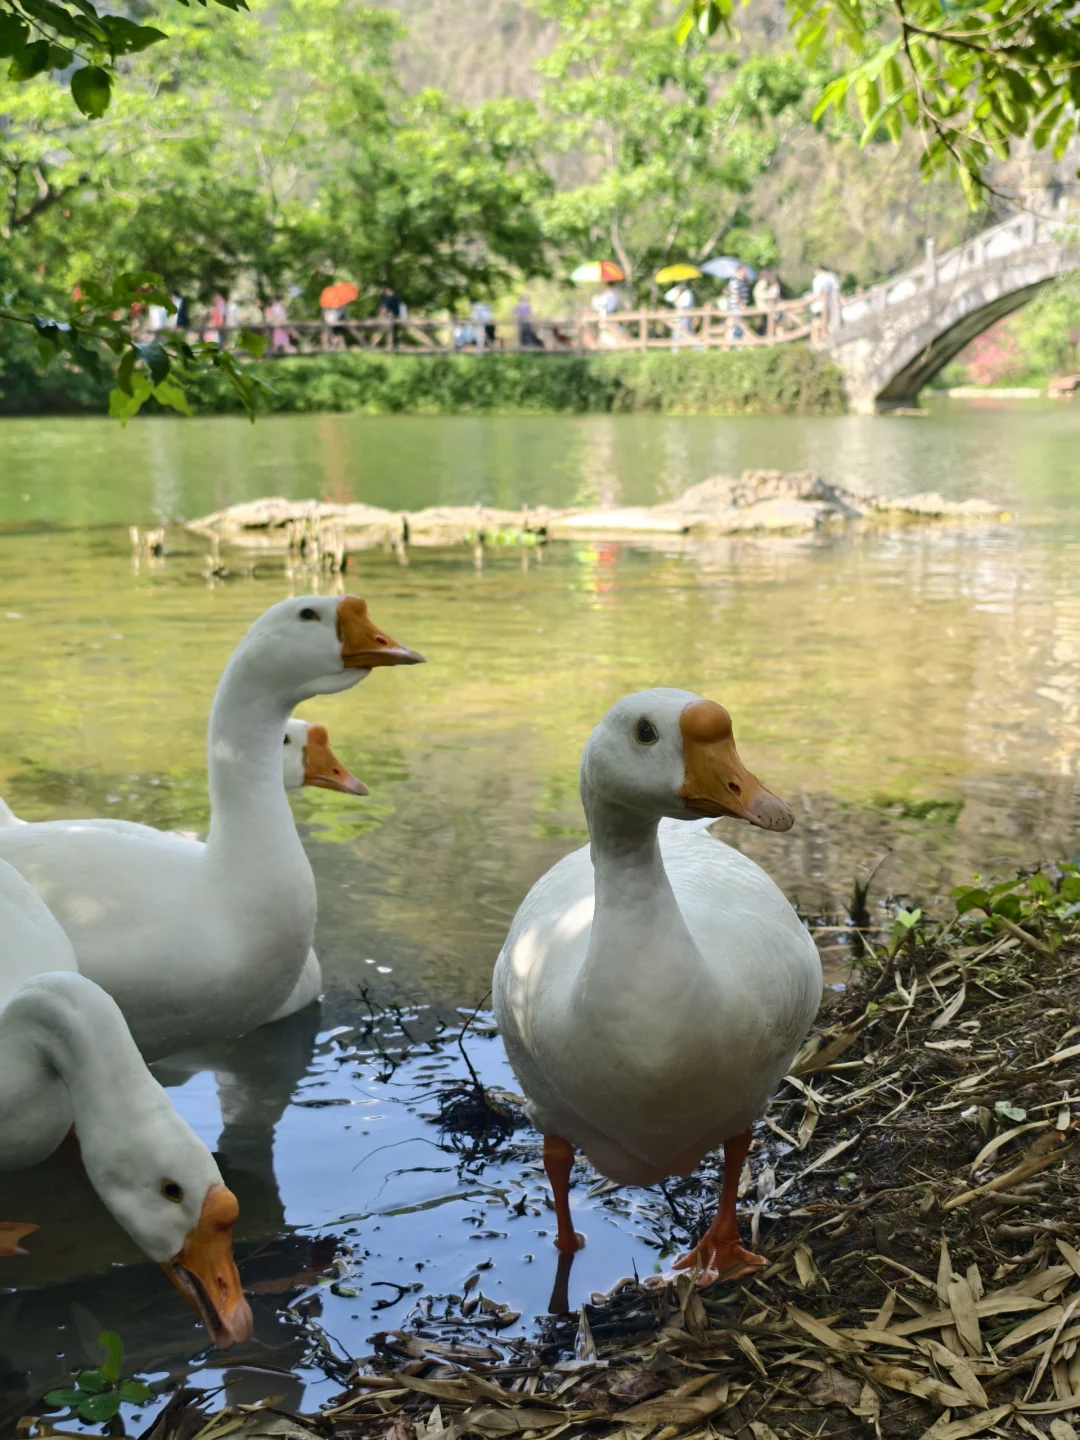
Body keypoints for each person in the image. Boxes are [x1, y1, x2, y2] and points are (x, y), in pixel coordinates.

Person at [725, 265, 751, 341]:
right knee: (739, 324)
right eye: (743, 271)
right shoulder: (735, 281)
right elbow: (735, 294)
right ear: (739, 271)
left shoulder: (741, 281)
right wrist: (741, 304)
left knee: (733, 325)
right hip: (735, 306)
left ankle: (729, 343)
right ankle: (749, 340)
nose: (744, 273)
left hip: (737, 306)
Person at [810, 262, 839, 329]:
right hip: (832, 304)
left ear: (818, 270)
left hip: (820, 305)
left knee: (817, 325)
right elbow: (836, 290)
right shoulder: (832, 276)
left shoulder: (817, 279)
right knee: (828, 325)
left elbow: (818, 293)